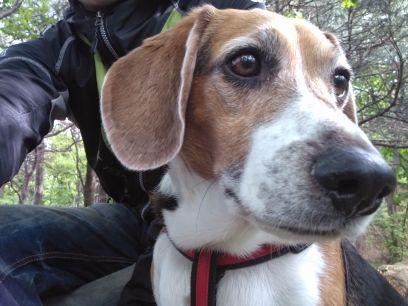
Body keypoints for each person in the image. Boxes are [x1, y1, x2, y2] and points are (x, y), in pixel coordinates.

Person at [0, 0, 266, 305]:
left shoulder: (226, 16)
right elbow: (12, 99)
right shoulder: (62, 46)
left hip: (218, 220)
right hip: (131, 220)